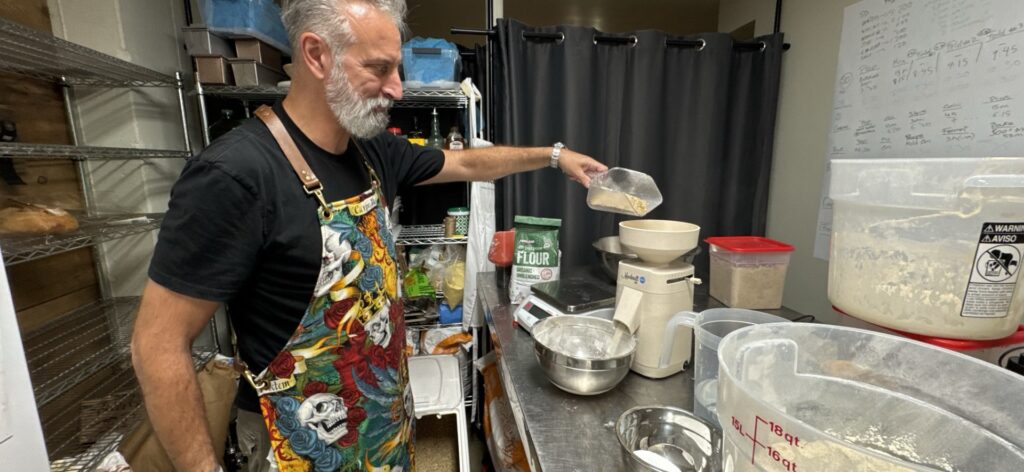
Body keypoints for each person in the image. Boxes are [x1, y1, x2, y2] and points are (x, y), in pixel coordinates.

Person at [130, 0, 606, 470]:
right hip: (302, 448)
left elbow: (465, 162)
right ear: (316, 55)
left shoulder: (370, 150)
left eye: (397, 69)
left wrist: (553, 156)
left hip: (383, 427)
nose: (397, 89)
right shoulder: (235, 175)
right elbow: (157, 346)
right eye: (379, 69)